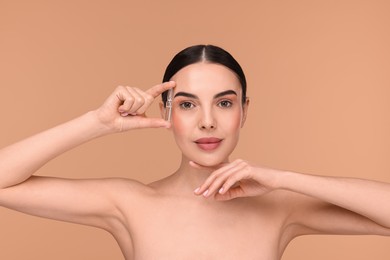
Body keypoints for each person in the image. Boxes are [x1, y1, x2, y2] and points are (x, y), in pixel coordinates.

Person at [0, 44, 389, 260]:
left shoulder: (280, 206)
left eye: (224, 103)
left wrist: (282, 179)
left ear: (244, 111)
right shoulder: (131, 203)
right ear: (166, 112)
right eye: (187, 104)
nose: (207, 122)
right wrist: (96, 123)